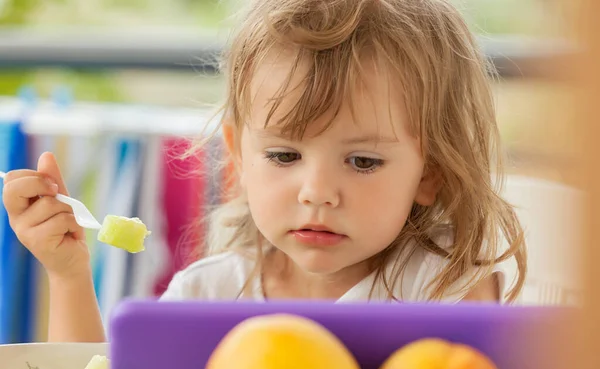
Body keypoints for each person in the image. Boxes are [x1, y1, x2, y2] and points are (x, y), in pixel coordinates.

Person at [1, 0, 526, 343]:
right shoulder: (206, 298)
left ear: (430, 173)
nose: (317, 193)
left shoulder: (445, 297)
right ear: (237, 156)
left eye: (363, 161)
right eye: (283, 156)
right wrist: (68, 274)